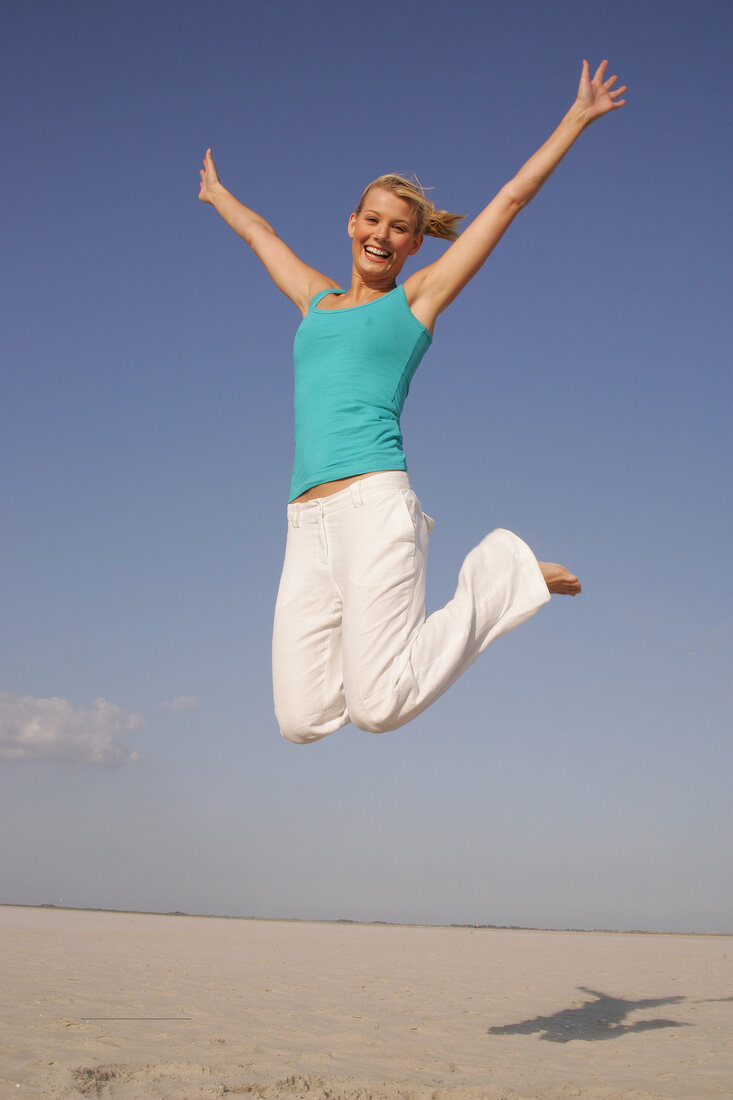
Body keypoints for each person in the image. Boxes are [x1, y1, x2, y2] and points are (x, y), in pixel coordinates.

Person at [199, 60, 626, 744]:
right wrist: (218, 197)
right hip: (305, 523)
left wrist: (574, 118)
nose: (381, 234)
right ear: (350, 223)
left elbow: (511, 199)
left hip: (374, 507)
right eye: (372, 219)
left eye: (399, 228)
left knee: (377, 708)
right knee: (300, 719)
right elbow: (261, 236)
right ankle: (384, 647)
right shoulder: (315, 301)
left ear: (415, 242)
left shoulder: (415, 302)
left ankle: (507, 572)